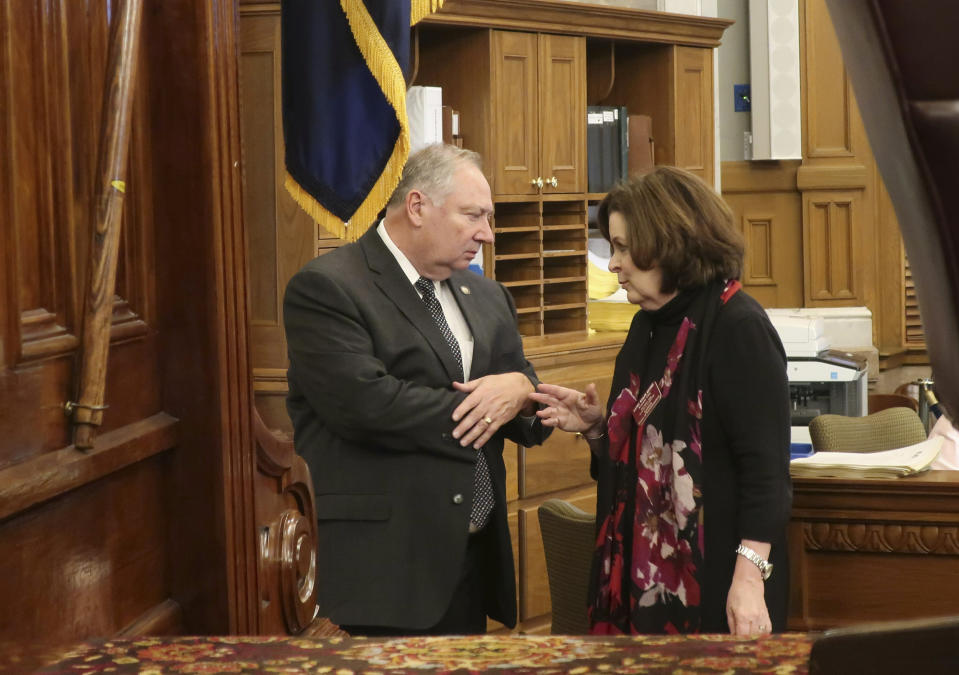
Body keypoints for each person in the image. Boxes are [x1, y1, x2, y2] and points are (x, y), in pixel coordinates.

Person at [283, 143, 551, 636]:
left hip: (469, 559)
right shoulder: (328, 287)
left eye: (488, 219)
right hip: (384, 569)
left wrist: (520, 388)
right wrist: (493, 403)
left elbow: (522, 385)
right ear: (417, 206)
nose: (487, 235)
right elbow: (366, 405)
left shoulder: (487, 294)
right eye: (473, 216)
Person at [530, 166, 791, 635]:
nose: (613, 264)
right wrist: (596, 429)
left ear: (670, 243)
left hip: (717, 583)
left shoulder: (738, 327)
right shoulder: (645, 327)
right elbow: (636, 465)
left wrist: (750, 580)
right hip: (633, 579)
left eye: (624, 248)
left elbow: (767, 474)